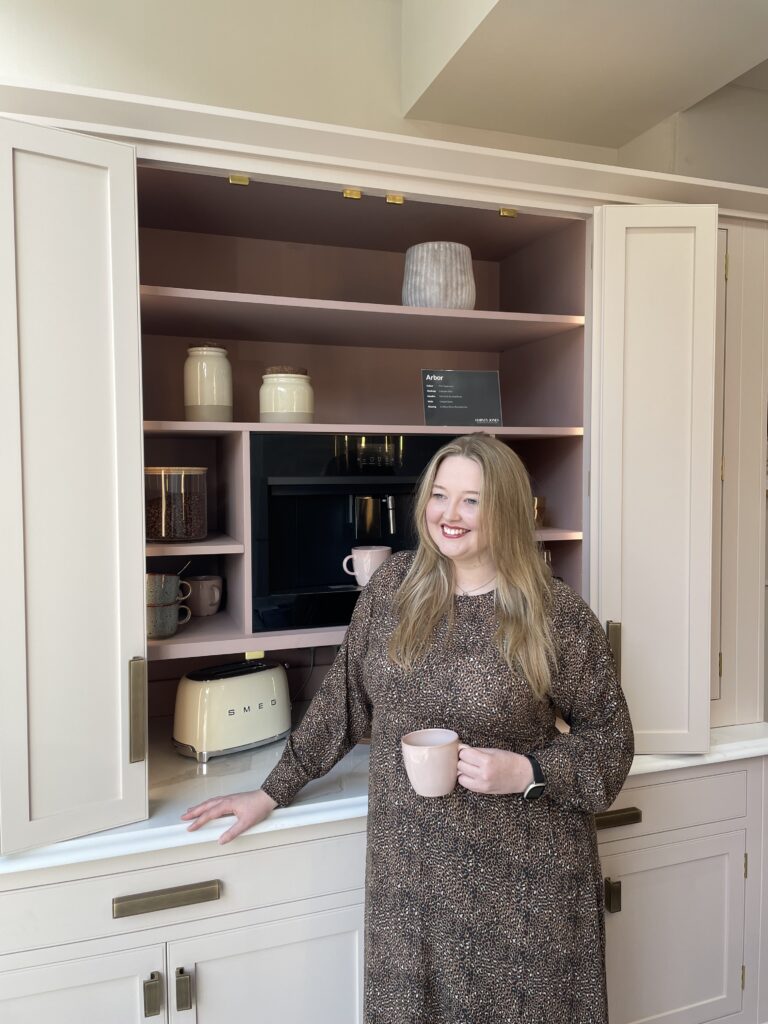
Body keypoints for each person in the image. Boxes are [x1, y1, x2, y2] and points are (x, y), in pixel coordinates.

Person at [182, 433, 634, 1024]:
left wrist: (527, 770)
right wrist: (270, 791)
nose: (450, 514)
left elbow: (611, 741)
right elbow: (343, 703)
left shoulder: (554, 613)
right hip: (411, 875)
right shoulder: (394, 588)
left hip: (524, 884)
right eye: (439, 495)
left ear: (506, 508)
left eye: (472, 500)